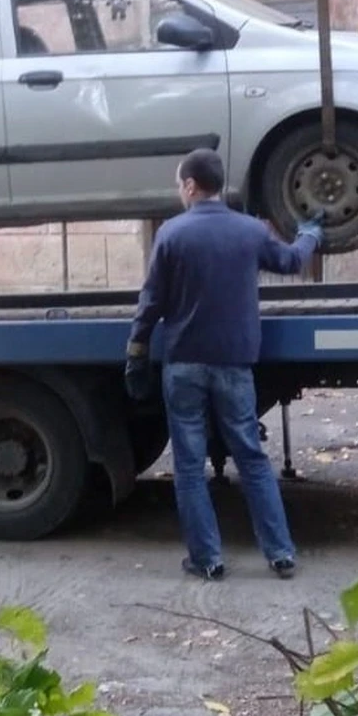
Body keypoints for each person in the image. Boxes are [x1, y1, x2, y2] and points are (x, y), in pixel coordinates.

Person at [125, 147, 324, 582]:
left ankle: (208, 560)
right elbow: (291, 261)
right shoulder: (250, 231)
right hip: (235, 364)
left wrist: (137, 348)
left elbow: (152, 300)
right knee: (251, 457)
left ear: (192, 186)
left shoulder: (172, 235)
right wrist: (310, 234)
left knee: (190, 466)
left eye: (180, 184)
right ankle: (281, 554)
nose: (179, 192)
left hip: (184, 365)